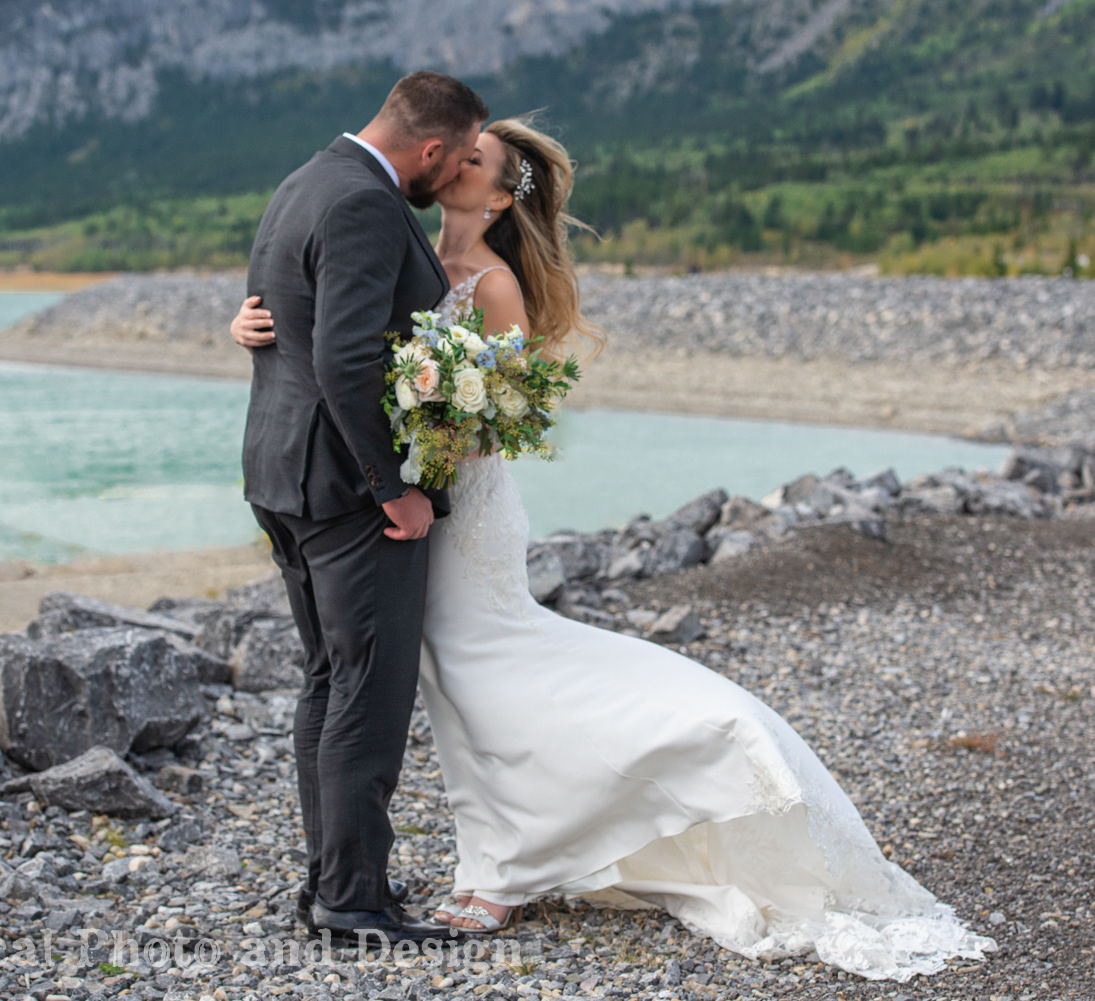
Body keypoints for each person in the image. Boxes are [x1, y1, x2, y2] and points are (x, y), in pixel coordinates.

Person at [232, 118, 997, 981]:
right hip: (402, 500)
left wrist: (428, 419)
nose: (452, 164)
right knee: (447, 684)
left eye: (475, 162)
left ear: (493, 196)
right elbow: (339, 323)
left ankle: (511, 860)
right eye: (459, 151)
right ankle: (425, 869)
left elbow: (497, 420)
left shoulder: (493, 285)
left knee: (481, 679)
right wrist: (262, 323)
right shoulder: (404, 232)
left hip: (459, 506)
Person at [237, 70, 487, 945]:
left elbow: (280, 319)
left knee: (328, 679)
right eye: (455, 159)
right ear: (428, 150)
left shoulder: (305, 180)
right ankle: (352, 904)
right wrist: (398, 488)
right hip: (346, 492)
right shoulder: (368, 207)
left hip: (281, 470)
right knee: (368, 695)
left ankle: (333, 880)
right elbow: (344, 362)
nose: (455, 174)